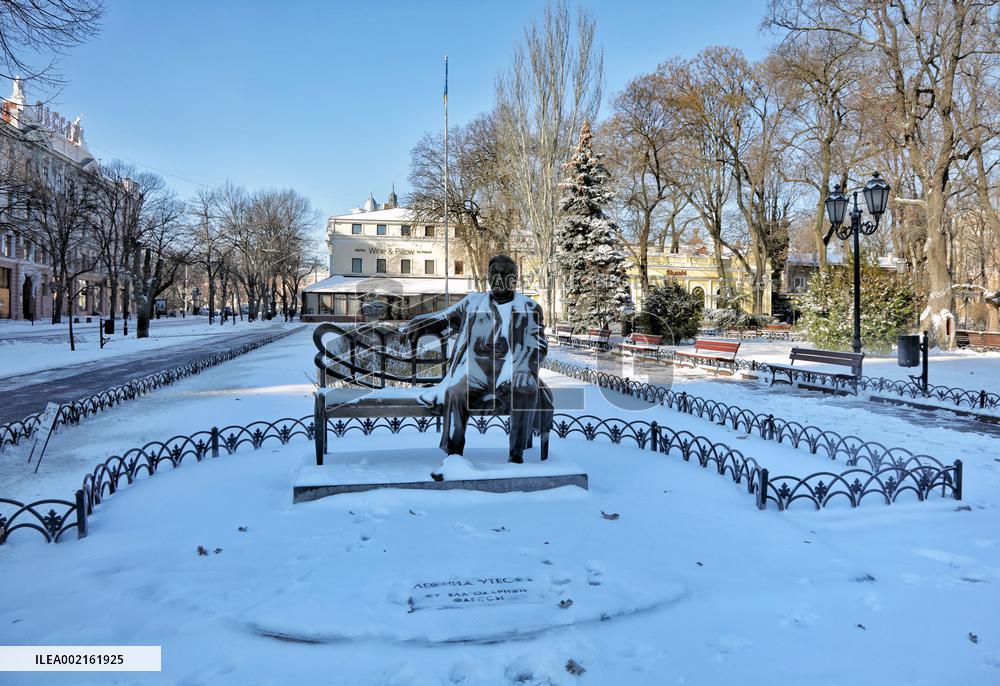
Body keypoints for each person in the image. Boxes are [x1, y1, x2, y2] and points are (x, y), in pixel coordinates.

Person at [401, 254, 552, 463]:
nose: (499, 278)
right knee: (455, 392)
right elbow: (445, 318)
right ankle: (454, 453)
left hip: (510, 368)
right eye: (495, 273)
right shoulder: (472, 302)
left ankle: (516, 455)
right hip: (476, 369)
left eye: (506, 274)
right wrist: (419, 322)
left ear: (514, 278)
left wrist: (525, 367)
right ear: (489, 277)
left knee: (525, 389)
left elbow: (538, 343)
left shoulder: (529, 307)